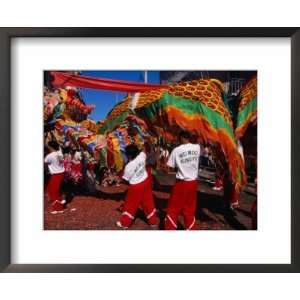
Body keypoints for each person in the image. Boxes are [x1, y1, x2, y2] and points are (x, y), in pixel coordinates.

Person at [164, 131, 201, 230]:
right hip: (193, 183)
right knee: (189, 208)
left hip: (181, 183)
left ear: (181, 138)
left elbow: (168, 167)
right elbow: (199, 137)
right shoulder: (197, 147)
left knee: (173, 208)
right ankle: (191, 228)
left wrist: (165, 164)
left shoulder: (176, 150)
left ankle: (170, 228)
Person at [116, 144, 158, 229]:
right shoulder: (141, 156)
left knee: (130, 205)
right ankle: (153, 221)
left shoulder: (129, 166)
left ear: (129, 155)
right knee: (148, 202)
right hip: (145, 182)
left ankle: (124, 223)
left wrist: (118, 180)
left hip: (136, 186)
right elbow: (143, 149)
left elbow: (126, 179)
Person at [44, 141, 65, 214]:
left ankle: (58, 209)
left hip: (56, 174)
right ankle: (61, 200)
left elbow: (45, 162)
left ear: (50, 147)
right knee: (50, 188)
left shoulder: (49, 156)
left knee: (53, 191)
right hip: (61, 173)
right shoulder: (60, 154)